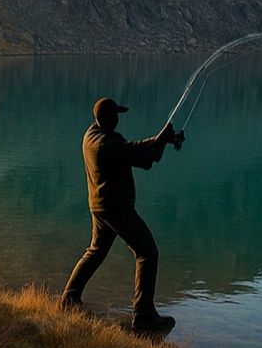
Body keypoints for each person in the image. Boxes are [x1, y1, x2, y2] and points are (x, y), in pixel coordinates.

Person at [59, 97, 185, 332]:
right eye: (116, 115)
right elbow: (146, 158)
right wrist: (162, 140)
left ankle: (69, 298)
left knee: (95, 251)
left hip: (99, 206)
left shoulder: (91, 135)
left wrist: (161, 140)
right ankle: (144, 317)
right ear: (111, 119)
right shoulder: (110, 143)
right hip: (117, 209)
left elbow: (133, 149)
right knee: (147, 253)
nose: (119, 118)